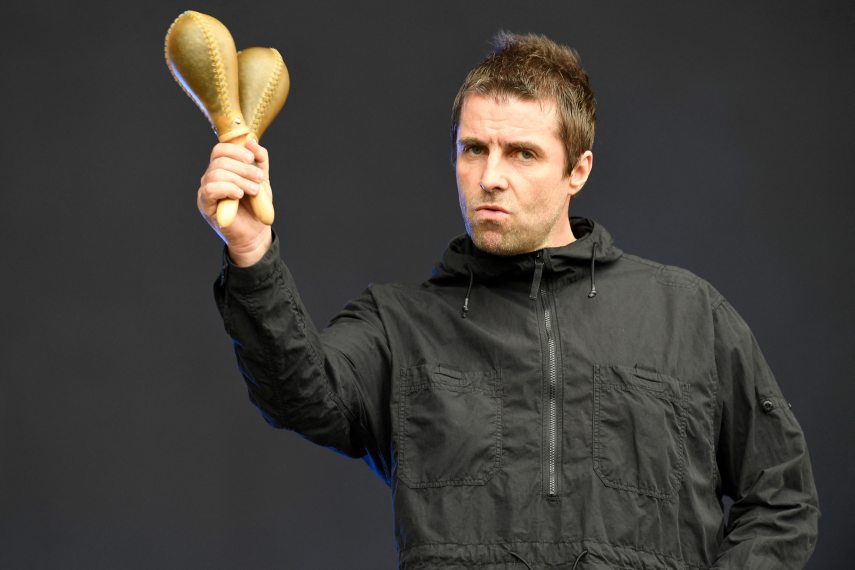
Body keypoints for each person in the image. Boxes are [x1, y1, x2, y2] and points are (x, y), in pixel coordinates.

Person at [197, 32, 819, 569]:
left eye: (523, 152)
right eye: (474, 149)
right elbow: (300, 394)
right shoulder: (399, 325)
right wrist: (251, 248)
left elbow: (783, 497)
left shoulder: (688, 316)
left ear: (578, 169)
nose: (491, 176)